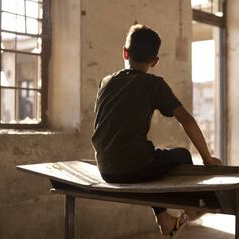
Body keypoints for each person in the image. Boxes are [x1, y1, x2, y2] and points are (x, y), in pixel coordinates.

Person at [92, 24, 221, 238]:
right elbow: (187, 121)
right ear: (155, 61)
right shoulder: (154, 84)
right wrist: (207, 159)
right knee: (182, 155)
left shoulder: (106, 82)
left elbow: (104, 125)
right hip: (134, 167)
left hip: (105, 168)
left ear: (125, 53)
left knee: (148, 159)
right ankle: (191, 207)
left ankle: (164, 219)